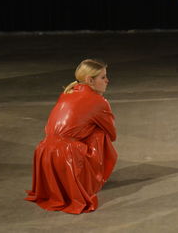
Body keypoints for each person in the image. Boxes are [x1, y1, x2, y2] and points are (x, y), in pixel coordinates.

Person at [25, 59, 117, 214]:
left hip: (44, 151)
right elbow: (112, 134)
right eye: (103, 77)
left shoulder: (67, 93)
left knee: (87, 130)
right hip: (67, 154)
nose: (107, 80)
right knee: (100, 133)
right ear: (90, 80)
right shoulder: (99, 101)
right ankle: (91, 181)